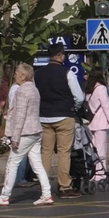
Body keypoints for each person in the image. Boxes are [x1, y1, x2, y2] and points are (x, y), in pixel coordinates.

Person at [0, 63, 50, 206]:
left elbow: (20, 116)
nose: (15, 75)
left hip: (25, 133)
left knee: (12, 163)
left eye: (16, 73)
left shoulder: (22, 91)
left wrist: (15, 138)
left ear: (23, 76)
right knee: (37, 163)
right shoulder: (35, 90)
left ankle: (4, 196)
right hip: (36, 131)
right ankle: (47, 194)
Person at [35, 44, 85, 197]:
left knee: (46, 152)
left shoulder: (38, 74)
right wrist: (72, 107)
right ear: (61, 56)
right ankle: (64, 186)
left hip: (44, 116)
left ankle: (44, 187)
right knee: (64, 152)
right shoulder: (67, 73)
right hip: (64, 115)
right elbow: (79, 97)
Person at [86, 71, 109, 182]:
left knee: (93, 150)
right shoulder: (101, 88)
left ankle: (94, 172)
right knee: (101, 149)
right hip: (100, 122)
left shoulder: (88, 89)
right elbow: (106, 106)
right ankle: (101, 172)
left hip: (90, 122)